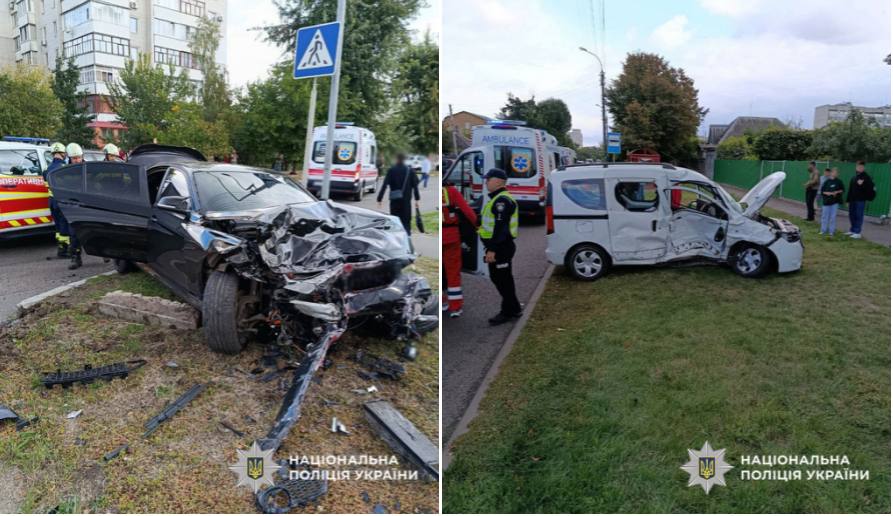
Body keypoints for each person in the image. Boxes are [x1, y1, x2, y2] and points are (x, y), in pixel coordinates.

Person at [479, 168, 521, 325]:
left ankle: (508, 312)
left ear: (497, 181)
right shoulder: (497, 199)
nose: (486, 182)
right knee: (503, 279)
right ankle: (514, 308)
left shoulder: (501, 201)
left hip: (501, 247)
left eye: (488, 179)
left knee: (502, 280)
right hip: (501, 247)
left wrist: (492, 250)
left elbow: (501, 228)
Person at [442, 181, 477, 318]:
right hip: (451, 236)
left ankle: (443, 301)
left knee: (441, 271)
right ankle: (455, 307)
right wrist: (477, 226)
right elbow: (467, 211)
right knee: (453, 272)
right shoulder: (451, 191)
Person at [377, 154, 420, 234]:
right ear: (404, 160)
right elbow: (415, 185)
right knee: (406, 222)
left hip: (394, 201)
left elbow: (384, 185)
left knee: (395, 221)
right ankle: (407, 239)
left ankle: (396, 240)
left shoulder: (391, 170)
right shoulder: (410, 171)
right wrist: (417, 199)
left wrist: (380, 198)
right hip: (406, 202)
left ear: (396, 159)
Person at [45, 142, 69, 258]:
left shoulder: (47, 169)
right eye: (64, 153)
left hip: (51, 201)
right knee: (64, 225)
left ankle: (60, 248)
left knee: (58, 226)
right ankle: (65, 250)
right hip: (61, 201)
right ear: (61, 153)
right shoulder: (64, 168)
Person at [64, 143, 85, 269]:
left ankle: (103, 254)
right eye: (74, 158)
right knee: (74, 234)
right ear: (69, 158)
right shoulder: (65, 172)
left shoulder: (88, 168)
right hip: (73, 206)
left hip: (88, 205)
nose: (77, 160)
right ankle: (75, 258)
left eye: (78, 157)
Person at [845, 160, 875, 239]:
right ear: (856, 167)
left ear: (863, 168)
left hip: (860, 200)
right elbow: (850, 190)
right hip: (852, 200)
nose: (860, 168)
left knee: (859, 215)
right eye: (858, 166)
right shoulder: (854, 177)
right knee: (851, 215)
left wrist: (863, 184)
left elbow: (871, 188)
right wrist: (847, 200)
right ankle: (852, 230)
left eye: (861, 167)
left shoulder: (866, 177)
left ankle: (857, 232)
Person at [820, 167, 845, 236]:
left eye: (837, 173)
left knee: (832, 217)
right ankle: (823, 230)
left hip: (835, 202)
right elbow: (822, 191)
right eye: (834, 172)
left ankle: (831, 231)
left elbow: (842, 190)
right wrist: (828, 193)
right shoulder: (826, 182)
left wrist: (837, 192)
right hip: (826, 202)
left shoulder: (839, 181)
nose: (835, 174)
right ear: (831, 173)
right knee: (824, 216)